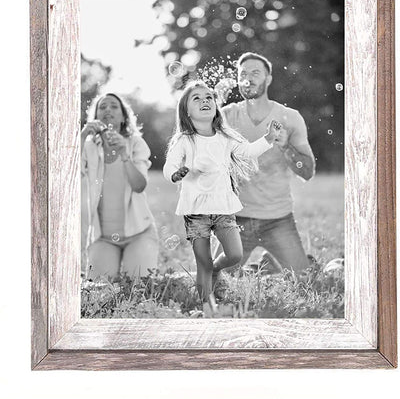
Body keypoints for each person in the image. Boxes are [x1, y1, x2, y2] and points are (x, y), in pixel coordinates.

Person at [163, 81, 282, 304]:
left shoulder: (226, 138)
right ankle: (206, 307)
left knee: (235, 254)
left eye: (209, 97)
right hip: (196, 210)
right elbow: (169, 166)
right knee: (202, 262)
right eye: (196, 98)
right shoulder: (184, 141)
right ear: (186, 111)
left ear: (216, 106)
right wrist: (175, 174)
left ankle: (216, 269)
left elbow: (248, 152)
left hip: (223, 209)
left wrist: (268, 138)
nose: (205, 100)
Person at [217, 52, 316, 273]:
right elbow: (195, 148)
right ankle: (262, 267)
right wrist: (212, 104)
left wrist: (286, 147)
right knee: (215, 282)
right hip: (236, 219)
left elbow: (307, 172)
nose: (249, 78)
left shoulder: (289, 117)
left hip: (278, 220)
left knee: (305, 282)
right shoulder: (225, 116)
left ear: (268, 79)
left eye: (255, 73)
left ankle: (266, 266)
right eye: (243, 73)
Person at [81, 93, 158, 280]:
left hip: (139, 233)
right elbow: (65, 175)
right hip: (103, 237)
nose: (108, 109)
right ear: (96, 116)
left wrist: (124, 154)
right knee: (98, 291)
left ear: (124, 117)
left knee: (139, 286)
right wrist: (81, 137)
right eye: (103, 106)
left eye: (114, 106)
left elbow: (139, 185)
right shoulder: (89, 146)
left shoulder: (135, 143)